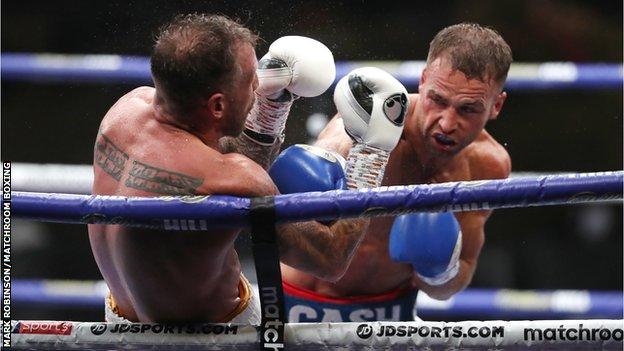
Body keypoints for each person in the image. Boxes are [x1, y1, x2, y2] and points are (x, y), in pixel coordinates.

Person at [88, 13, 406, 324]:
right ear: (217, 105)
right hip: (212, 335)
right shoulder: (238, 178)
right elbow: (330, 259)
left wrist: (272, 105)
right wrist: (372, 154)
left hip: (122, 323)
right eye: (250, 78)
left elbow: (205, 161)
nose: (259, 83)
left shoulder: (122, 114)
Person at [278, 23, 513, 322]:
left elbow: (448, 286)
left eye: (468, 109)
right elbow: (288, 219)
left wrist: (440, 270)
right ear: (423, 80)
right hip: (296, 305)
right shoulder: (371, 128)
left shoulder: (487, 165)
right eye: (437, 100)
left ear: (496, 106)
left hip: (390, 318)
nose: (447, 123)